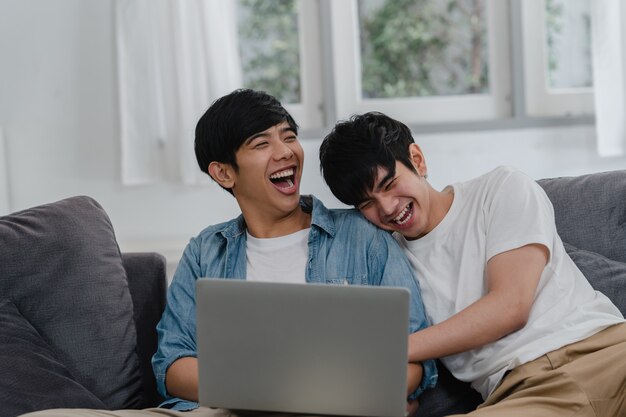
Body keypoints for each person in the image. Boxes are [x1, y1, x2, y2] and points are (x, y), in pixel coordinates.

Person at [21, 92, 435, 417]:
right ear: (223, 172)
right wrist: (272, 388)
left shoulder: (363, 235)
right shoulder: (207, 250)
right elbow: (172, 364)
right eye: (262, 143)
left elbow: (415, 357)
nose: (286, 151)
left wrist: (339, 396)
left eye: (288, 136)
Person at [318, 111, 626, 416]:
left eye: (389, 184)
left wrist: (391, 349)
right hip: (527, 394)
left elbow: (510, 307)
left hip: (608, 353)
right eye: (367, 204)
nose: (387, 208)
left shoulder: (501, 188)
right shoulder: (387, 262)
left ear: (417, 159)